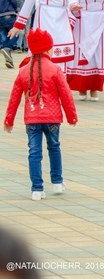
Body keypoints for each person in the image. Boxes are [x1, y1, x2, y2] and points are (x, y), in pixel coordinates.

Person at [4, 29, 78, 201]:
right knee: (54, 148)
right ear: (47, 49)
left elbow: (14, 97)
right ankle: (58, 182)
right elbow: (66, 94)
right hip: (52, 118)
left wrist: (9, 119)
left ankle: (37, 189)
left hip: (32, 118)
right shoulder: (55, 69)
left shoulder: (23, 70)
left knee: (34, 152)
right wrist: (71, 116)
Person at [0, 0, 18, 68]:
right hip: (8, 14)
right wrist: (16, 9)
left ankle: (9, 60)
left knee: (3, 37)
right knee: (15, 32)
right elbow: (14, 1)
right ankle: (7, 49)